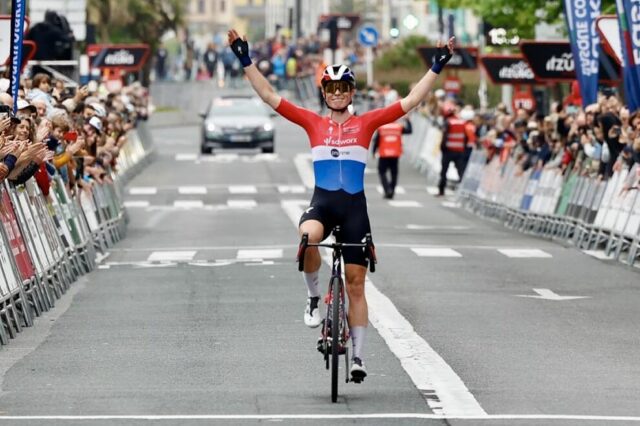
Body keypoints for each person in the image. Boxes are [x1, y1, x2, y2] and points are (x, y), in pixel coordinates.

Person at [227, 28, 454, 382]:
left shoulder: (366, 123)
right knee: (306, 239)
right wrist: (244, 59)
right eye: (330, 89)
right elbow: (270, 95)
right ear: (325, 93)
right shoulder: (312, 122)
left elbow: (410, 102)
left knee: (355, 284)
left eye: (342, 89)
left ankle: (359, 357)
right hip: (323, 203)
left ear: (351, 93)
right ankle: (314, 297)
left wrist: (436, 67)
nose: (336, 94)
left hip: (354, 210)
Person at [372, 117, 412, 199]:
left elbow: (376, 141)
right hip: (395, 154)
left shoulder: (381, 128)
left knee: (382, 172)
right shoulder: (398, 127)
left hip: (384, 154)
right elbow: (409, 130)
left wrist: (373, 152)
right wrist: (408, 120)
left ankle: (387, 189)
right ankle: (392, 190)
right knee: (394, 173)